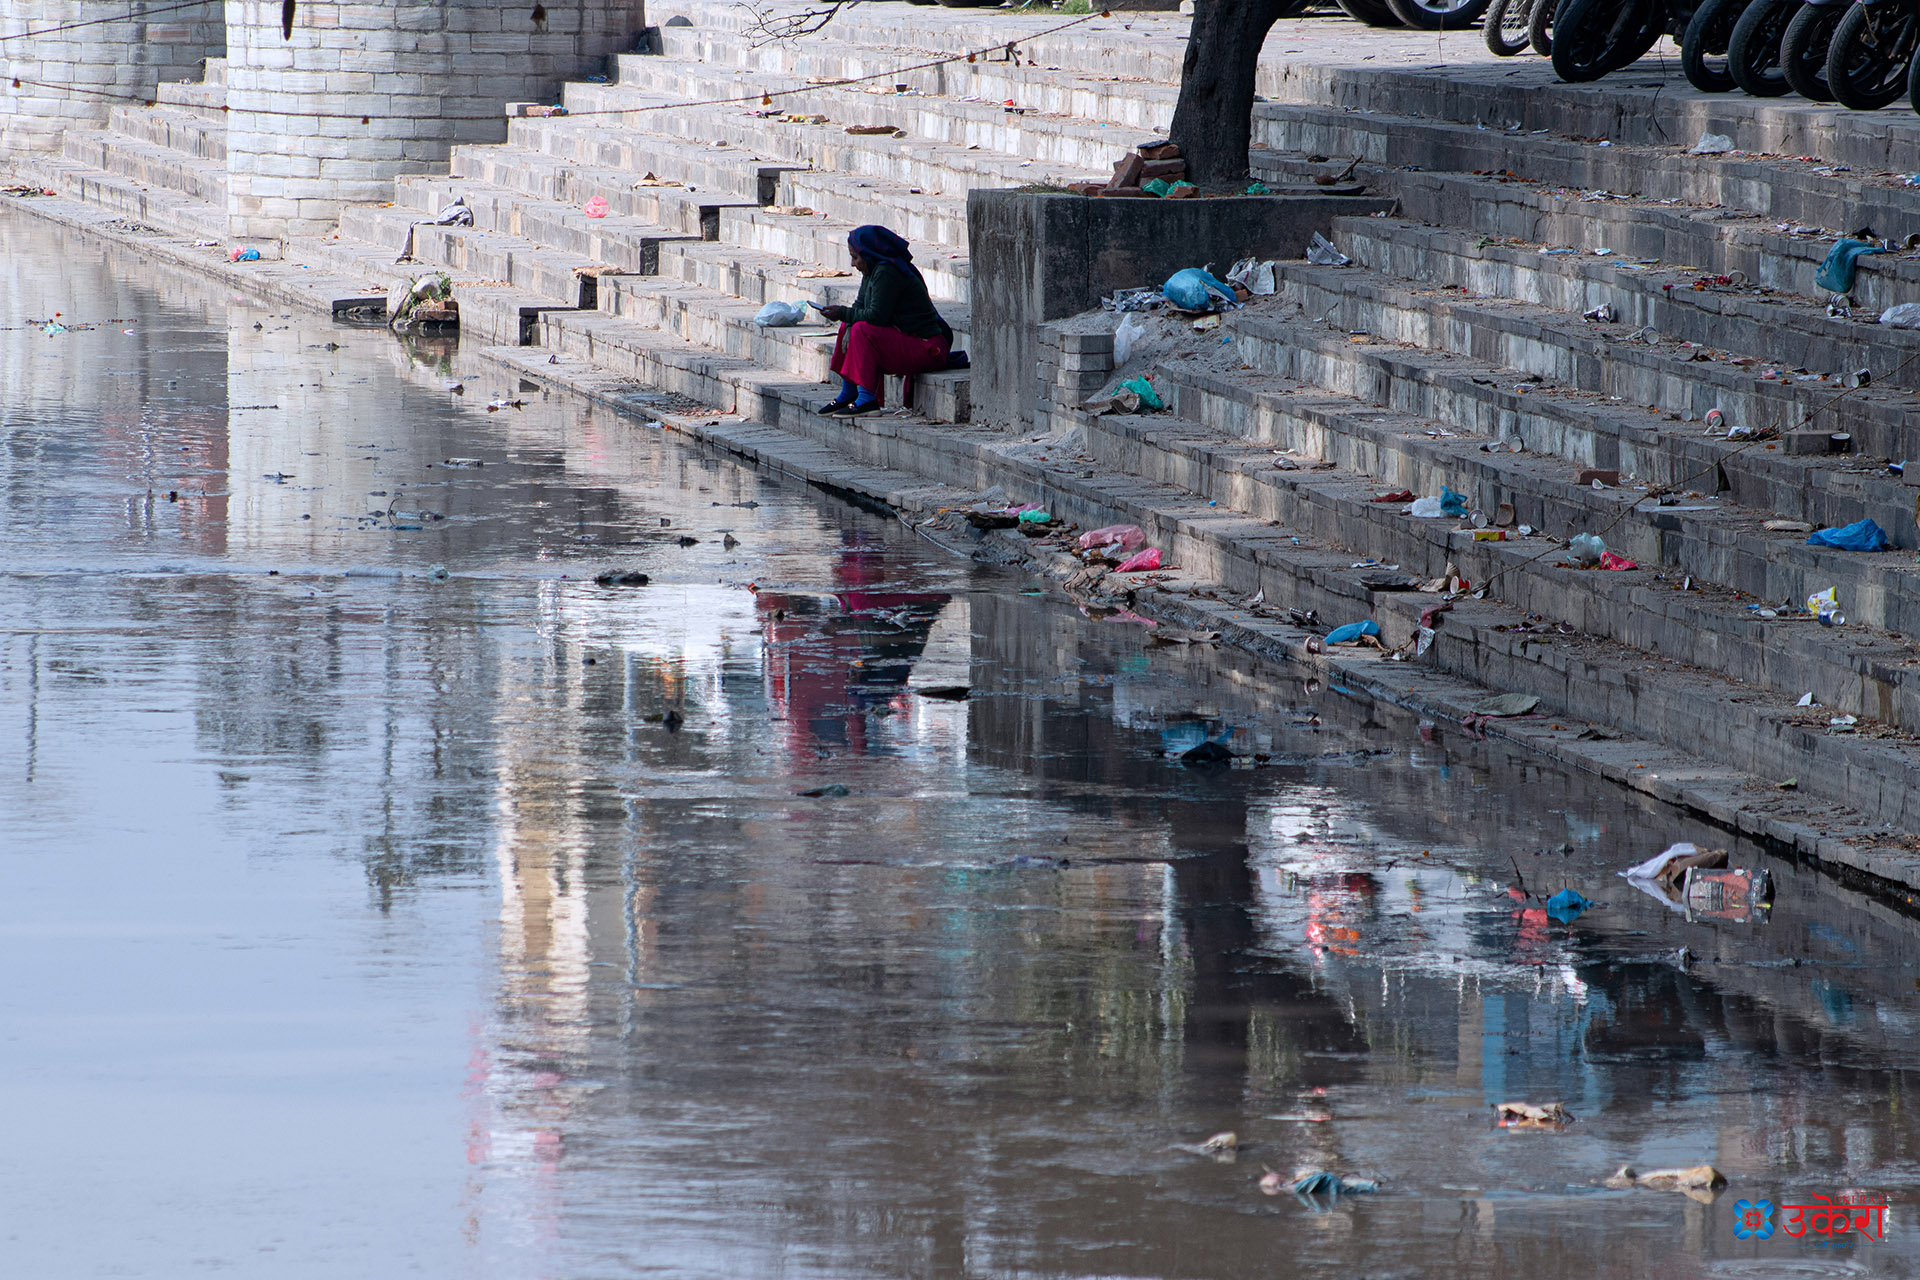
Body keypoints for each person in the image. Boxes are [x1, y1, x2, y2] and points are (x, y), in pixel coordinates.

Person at [816, 225, 952, 417]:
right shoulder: (872, 270)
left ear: (868, 253)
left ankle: (866, 399)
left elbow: (877, 317)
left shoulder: (888, 272)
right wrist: (846, 323)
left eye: (856, 257)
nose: (853, 264)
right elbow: (859, 305)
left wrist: (843, 315)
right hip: (905, 340)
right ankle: (849, 393)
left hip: (927, 347)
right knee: (849, 326)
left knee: (861, 329)